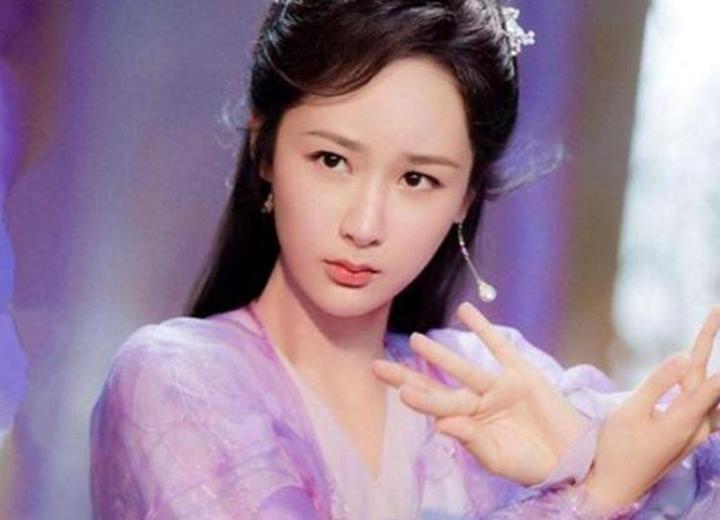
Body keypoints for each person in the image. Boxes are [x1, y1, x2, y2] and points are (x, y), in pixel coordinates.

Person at [89, 0, 720, 518]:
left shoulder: (486, 381)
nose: (364, 226)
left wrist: (607, 456)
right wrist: (593, 498)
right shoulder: (175, 378)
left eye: (417, 179)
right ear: (265, 150)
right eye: (332, 160)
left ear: (465, 197)